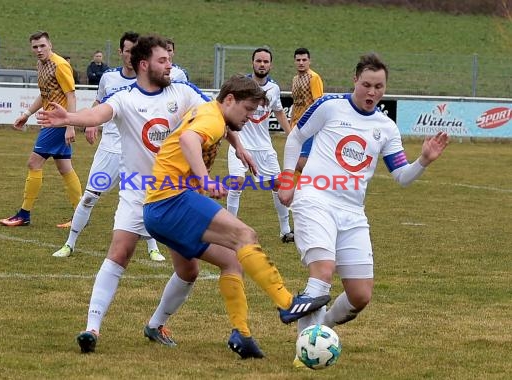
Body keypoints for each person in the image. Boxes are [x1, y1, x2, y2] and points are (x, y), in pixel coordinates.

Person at [36, 35, 211, 354]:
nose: (169, 64)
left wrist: (236, 141)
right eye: (163, 60)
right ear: (144, 65)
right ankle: (91, 328)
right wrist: (71, 118)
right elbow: (98, 115)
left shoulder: (182, 91)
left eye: (169, 59)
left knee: (189, 270)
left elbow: (211, 114)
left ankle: (156, 324)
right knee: (119, 253)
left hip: (173, 194)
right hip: (135, 191)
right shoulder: (126, 97)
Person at [277, 53, 449, 367]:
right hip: (315, 197)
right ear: (355, 80)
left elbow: (402, 177)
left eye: (379, 87)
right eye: (367, 85)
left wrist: (423, 160)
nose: (372, 92)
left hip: (353, 212)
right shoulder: (330, 106)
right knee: (323, 271)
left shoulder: (386, 127)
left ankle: (321, 331)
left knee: (360, 295)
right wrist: (288, 178)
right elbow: (296, 136)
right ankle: (305, 354)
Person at [142, 74, 331, 359]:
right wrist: (205, 180)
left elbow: (219, 127)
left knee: (228, 262)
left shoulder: (212, 110)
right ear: (229, 100)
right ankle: (286, 302)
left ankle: (240, 334)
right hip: (171, 200)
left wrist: (239, 146)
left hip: (159, 208)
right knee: (245, 235)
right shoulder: (213, 120)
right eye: (246, 111)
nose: (249, 118)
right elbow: (190, 138)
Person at [51, 32, 164, 261]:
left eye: (135, 50)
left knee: (145, 197)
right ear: (121, 52)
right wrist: (92, 123)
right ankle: (69, 244)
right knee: (90, 196)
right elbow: (98, 103)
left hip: (137, 150)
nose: (130, 54)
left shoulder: (149, 81)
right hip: (110, 148)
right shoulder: (109, 78)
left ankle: (153, 248)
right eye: (127, 50)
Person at [0, 31, 81, 228]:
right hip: (54, 121)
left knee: (33, 163)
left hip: (57, 123)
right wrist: (26, 114)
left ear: (50, 45)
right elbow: (44, 94)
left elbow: (71, 96)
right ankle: (81, 215)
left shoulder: (60, 65)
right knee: (64, 167)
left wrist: (70, 125)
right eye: (35, 47)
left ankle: (24, 214)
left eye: (42, 46)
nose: (38, 50)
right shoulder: (41, 64)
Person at [225, 48, 294, 243]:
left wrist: (291, 135)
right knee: (237, 182)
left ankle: (285, 231)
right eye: (258, 61)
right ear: (252, 63)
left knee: (278, 185)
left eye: (265, 61)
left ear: (270, 65)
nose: (262, 64)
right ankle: (230, 230)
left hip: (264, 147)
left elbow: (279, 112)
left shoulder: (274, 89)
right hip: (240, 143)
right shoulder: (240, 86)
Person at [290, 47, 324, 173]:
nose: (301, 62)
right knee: (294, 163)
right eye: (298, 60)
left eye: (304, 59)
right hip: (296, 126)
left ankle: (317, 185)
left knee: (301, 163)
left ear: (309, 61)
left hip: (308, 127)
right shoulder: (295, 79)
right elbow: (295, 103)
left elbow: (318, 103)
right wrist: (290, 124)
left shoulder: (313, 77)